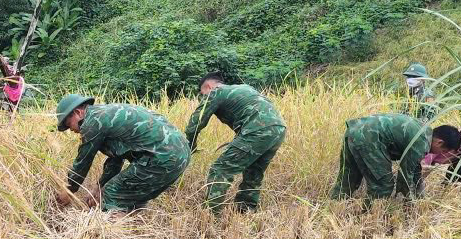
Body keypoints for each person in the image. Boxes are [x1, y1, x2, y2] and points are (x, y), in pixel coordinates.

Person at [53, 94, 190, 214]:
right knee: (129, 199)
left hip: (163, 156)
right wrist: (100, 186)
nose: (70, 130)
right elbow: (116, 159)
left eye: (68, 124)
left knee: (111, 195)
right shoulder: (106, 113)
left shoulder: (92, 123)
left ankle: (113, 236)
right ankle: (130, 229)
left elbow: (83, 161)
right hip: (180, 154)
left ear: (78, 112)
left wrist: (70, 190)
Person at [184, 73, 286, 213]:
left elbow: (195, 124)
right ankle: (246, 210)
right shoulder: (245, 88)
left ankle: (212, 214)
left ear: (208, 86)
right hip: (278, 129)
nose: (203, 97)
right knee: (253, 172)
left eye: (203, 94)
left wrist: (190, 146)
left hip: (257, 129)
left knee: (220, 170)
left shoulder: (216, 92)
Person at [332, 114, 461, 202]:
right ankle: (368, 217)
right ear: (439, 142)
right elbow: (405, 176)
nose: (440, 154)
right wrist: (410, 200)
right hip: (369, 138)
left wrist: (419, 191)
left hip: (355, 130)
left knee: (348, 175)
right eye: (443, 151)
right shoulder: (422, 142)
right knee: (383, 185)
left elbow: (414, 169)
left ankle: (335, 204)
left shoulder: (423, 129)